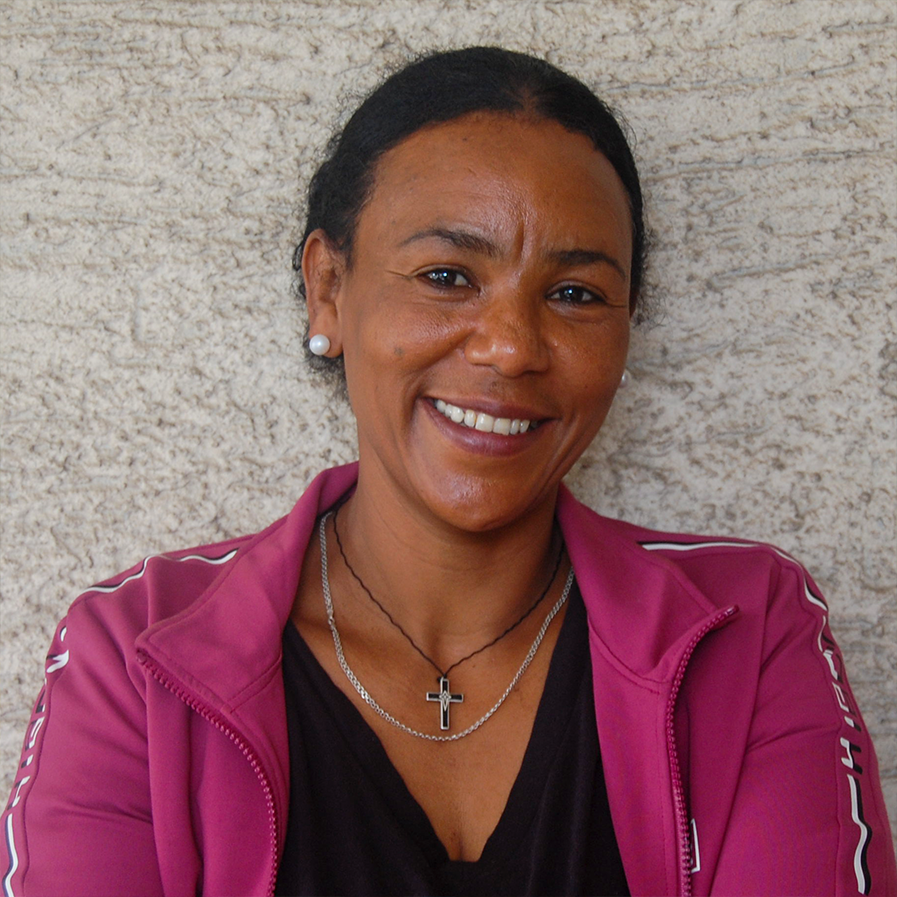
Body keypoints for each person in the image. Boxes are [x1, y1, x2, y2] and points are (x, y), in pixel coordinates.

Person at [2, 46, 895, 897]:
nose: (509, 346)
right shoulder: (138, 659)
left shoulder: (746, 631)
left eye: (574, 293)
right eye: (446, 275)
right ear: (327, 289)